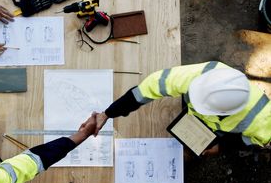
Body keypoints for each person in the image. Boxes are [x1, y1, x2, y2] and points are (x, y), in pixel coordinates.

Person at [95, 61, 271, 154]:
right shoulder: (201, 75)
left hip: (217, 132)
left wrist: (221, 147)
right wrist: (108, 113)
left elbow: (249, 141)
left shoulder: (262, 119)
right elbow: (144, 91)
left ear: (225, 112)